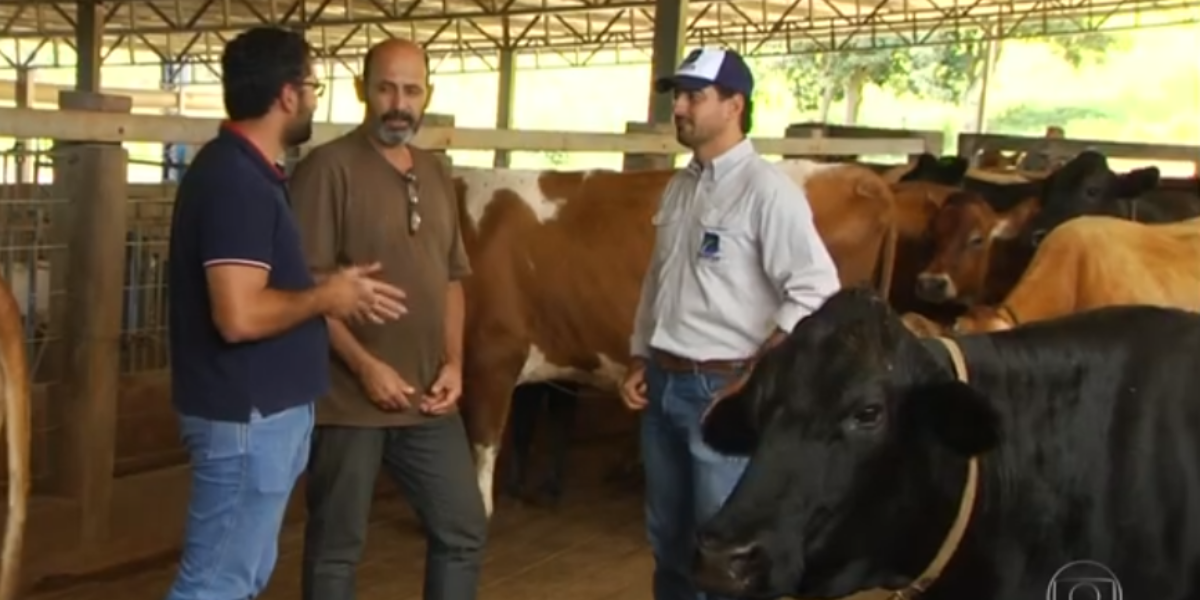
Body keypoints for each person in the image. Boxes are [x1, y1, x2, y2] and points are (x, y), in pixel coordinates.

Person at [164, 26, 408, 600]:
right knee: (214, 585)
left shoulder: (248, 171)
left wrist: (326, 283)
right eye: (314, 85)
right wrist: (326, 298)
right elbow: (239, 314)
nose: (316, 98)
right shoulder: (235, 183)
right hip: (246, 420)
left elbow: (255, 284)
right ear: (287, 94)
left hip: (256, 417)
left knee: (237, 578)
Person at [618, 47, 842, 600]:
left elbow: (816, 289)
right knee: (667, 540)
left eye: (695, 97)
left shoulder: (768, 192)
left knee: (723, 551)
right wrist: (640, 355)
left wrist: (755, 372)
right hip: (665, 384)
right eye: (679, 96)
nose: (681, 108)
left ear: (734, 105)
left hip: (720, 390)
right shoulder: (680, 187)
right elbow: (659, 280)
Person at [289, 38, 487, 600]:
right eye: (386, 88)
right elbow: (305, 291)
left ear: (427, 96)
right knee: (336, 548)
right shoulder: (328, 169)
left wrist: (455, 363)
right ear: (361, 90)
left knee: (463, 527)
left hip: (427, 397)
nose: (398, 103)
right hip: (350, 400)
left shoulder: (434, 171)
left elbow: (452, 278)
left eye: (412, 90)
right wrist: (365, 365)